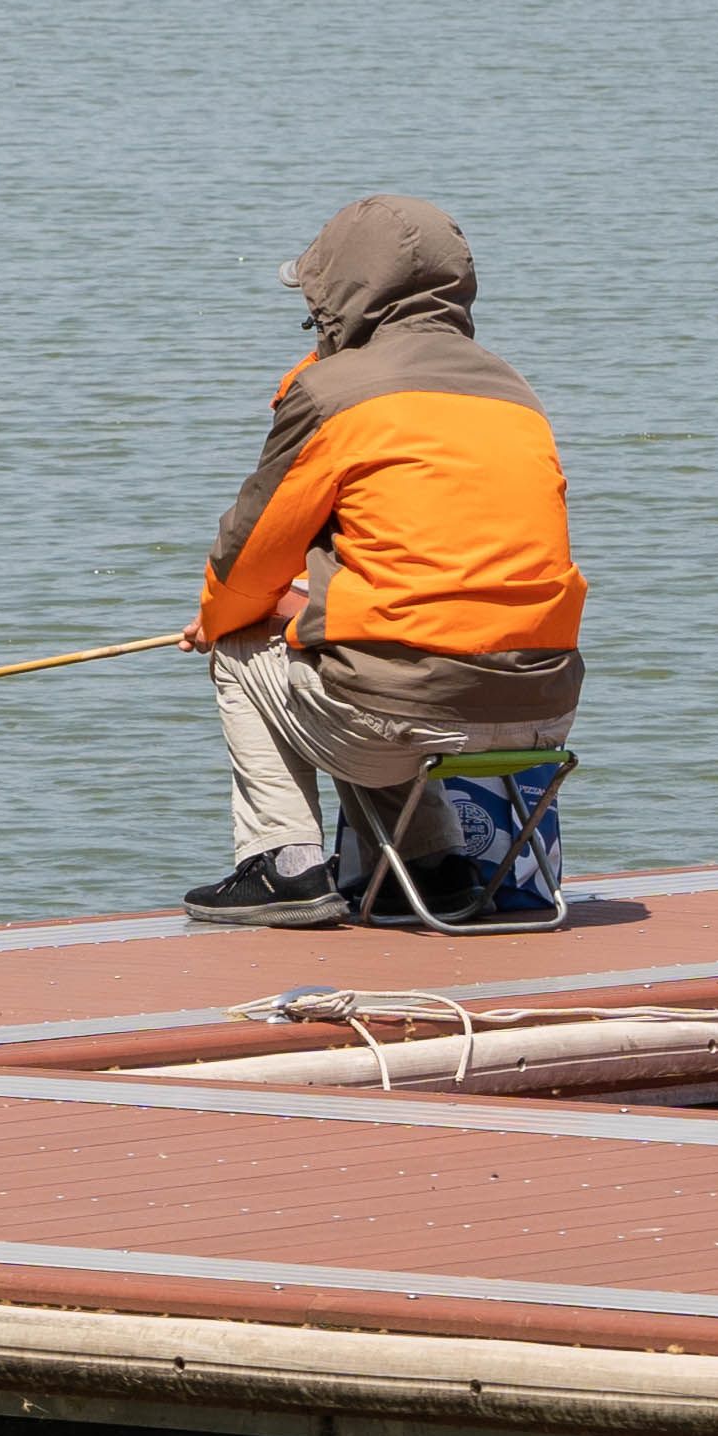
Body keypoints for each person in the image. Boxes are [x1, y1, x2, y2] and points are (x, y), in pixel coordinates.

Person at [183, 196, 586, 925]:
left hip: (399, 716)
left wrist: (218, 620)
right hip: (544, 714)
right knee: (372, 663)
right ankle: (432, 867)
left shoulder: (334, 392)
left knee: (242, 647)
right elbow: (447, 576)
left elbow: (245, 563)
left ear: (341, 295)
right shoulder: (516, 393)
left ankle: (283, 863)